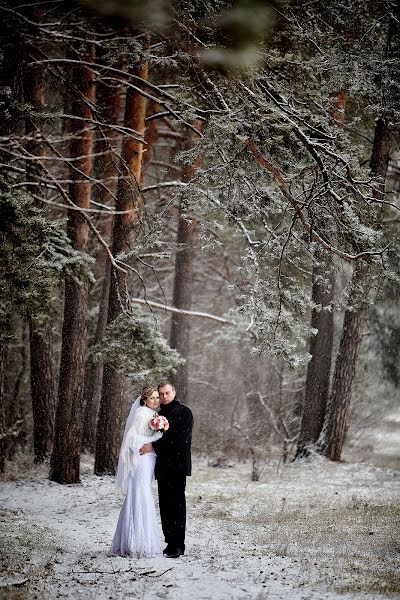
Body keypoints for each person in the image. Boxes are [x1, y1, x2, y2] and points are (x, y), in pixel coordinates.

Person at [108, 386, 164, 558]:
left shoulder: (153, 414)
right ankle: (136, 543)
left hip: (149, 459)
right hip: (141, 460)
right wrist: (156, 437)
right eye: (152, 398)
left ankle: (135, 541)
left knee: (141, 494)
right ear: (144, 399)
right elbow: (132, 439)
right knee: (140, 495)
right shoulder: (141, 413)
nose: (156, 400)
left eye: (157, 397)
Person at [149, 381, 193, 559]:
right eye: (161, 394)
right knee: (165, 505)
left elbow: (179, 439)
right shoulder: (158, 415)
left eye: (167, 393)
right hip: (163, 467)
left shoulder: (184, 412)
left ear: (174, 392)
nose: (164, 396)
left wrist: (153, 446)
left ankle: (178, 544)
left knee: (177, 505)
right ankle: (169, 541)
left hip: (177, 466)